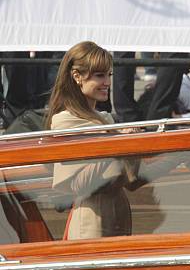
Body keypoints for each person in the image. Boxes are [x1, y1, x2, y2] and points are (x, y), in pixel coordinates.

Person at [45, 41, 141, 240]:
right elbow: (79, 184)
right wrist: (118, 143)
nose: (107, 82)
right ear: (77, 77)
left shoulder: (105, 119)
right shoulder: (65, 121)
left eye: (109, 75)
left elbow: (131, 179)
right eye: (99, 75)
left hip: (118, 212)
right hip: (91, 220)